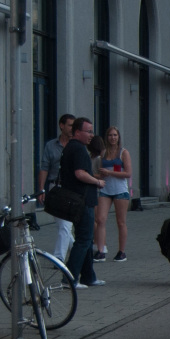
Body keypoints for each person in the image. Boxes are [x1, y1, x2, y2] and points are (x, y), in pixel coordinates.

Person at [60, 117, 107, 287]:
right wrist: (97, 182)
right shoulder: (78, 149)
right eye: (88, 131)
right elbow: (80, 173)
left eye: (92, 131)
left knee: (86, 239)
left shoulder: (71, 148)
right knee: (84, 239)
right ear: (77, 132)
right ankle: (69, 278)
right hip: (82, 200)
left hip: (79, 199)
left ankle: (89, 276)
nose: (91, 135)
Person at [37, 114, 75, 259]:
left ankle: (58, 259)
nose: (72, 129)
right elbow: (44, 167)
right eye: (70, 125)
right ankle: (80, 250)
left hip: (71, 189)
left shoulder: (76, 145)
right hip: (55, 187)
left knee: (65, 226)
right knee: (62, 226)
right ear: (62, 126)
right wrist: (41, 189)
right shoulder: (51, 145)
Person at [93, 126, 132, 262]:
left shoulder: (123, 153)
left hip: (120, 191)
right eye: (110, 135)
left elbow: (128, 173)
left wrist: (110, 173)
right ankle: (101, 250)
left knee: (121, 222)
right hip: (105, 189)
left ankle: (121, 251)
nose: (113, 138)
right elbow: (101, 172)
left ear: (118, 137)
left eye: (115, 135)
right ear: (106, 137)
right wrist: (95, 176)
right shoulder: (103, 153)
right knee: (100, 219)